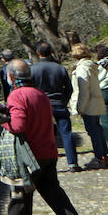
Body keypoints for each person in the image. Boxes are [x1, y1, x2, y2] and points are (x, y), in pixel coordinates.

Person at [0, 59, 98, 215]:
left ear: (11, 77)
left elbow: (18, 126)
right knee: (58, 200)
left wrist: (3, 120)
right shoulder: (41, 94)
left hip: (29, 157)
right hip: (48, 153)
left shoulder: (16, 96)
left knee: (19, 197)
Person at [31, 42, 79, 172]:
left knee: (42, 134)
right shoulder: (60, 68)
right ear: (51, 52)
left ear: (38, 52)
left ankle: (44, 163)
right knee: (66, 133)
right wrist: (64, 100)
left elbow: (30, 90)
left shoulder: (33, 69)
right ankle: (73, 163)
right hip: (59, 102)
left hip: (42, 105)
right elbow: (69, 88)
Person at [68, 44, 108, 169]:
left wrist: (80, 106)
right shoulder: (92, 66)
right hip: (96, 102)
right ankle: (104, 155)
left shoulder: (82, 68)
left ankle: (99, 157)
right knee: (97, 129)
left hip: (88, 104)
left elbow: (83, 89)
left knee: (93, 131)